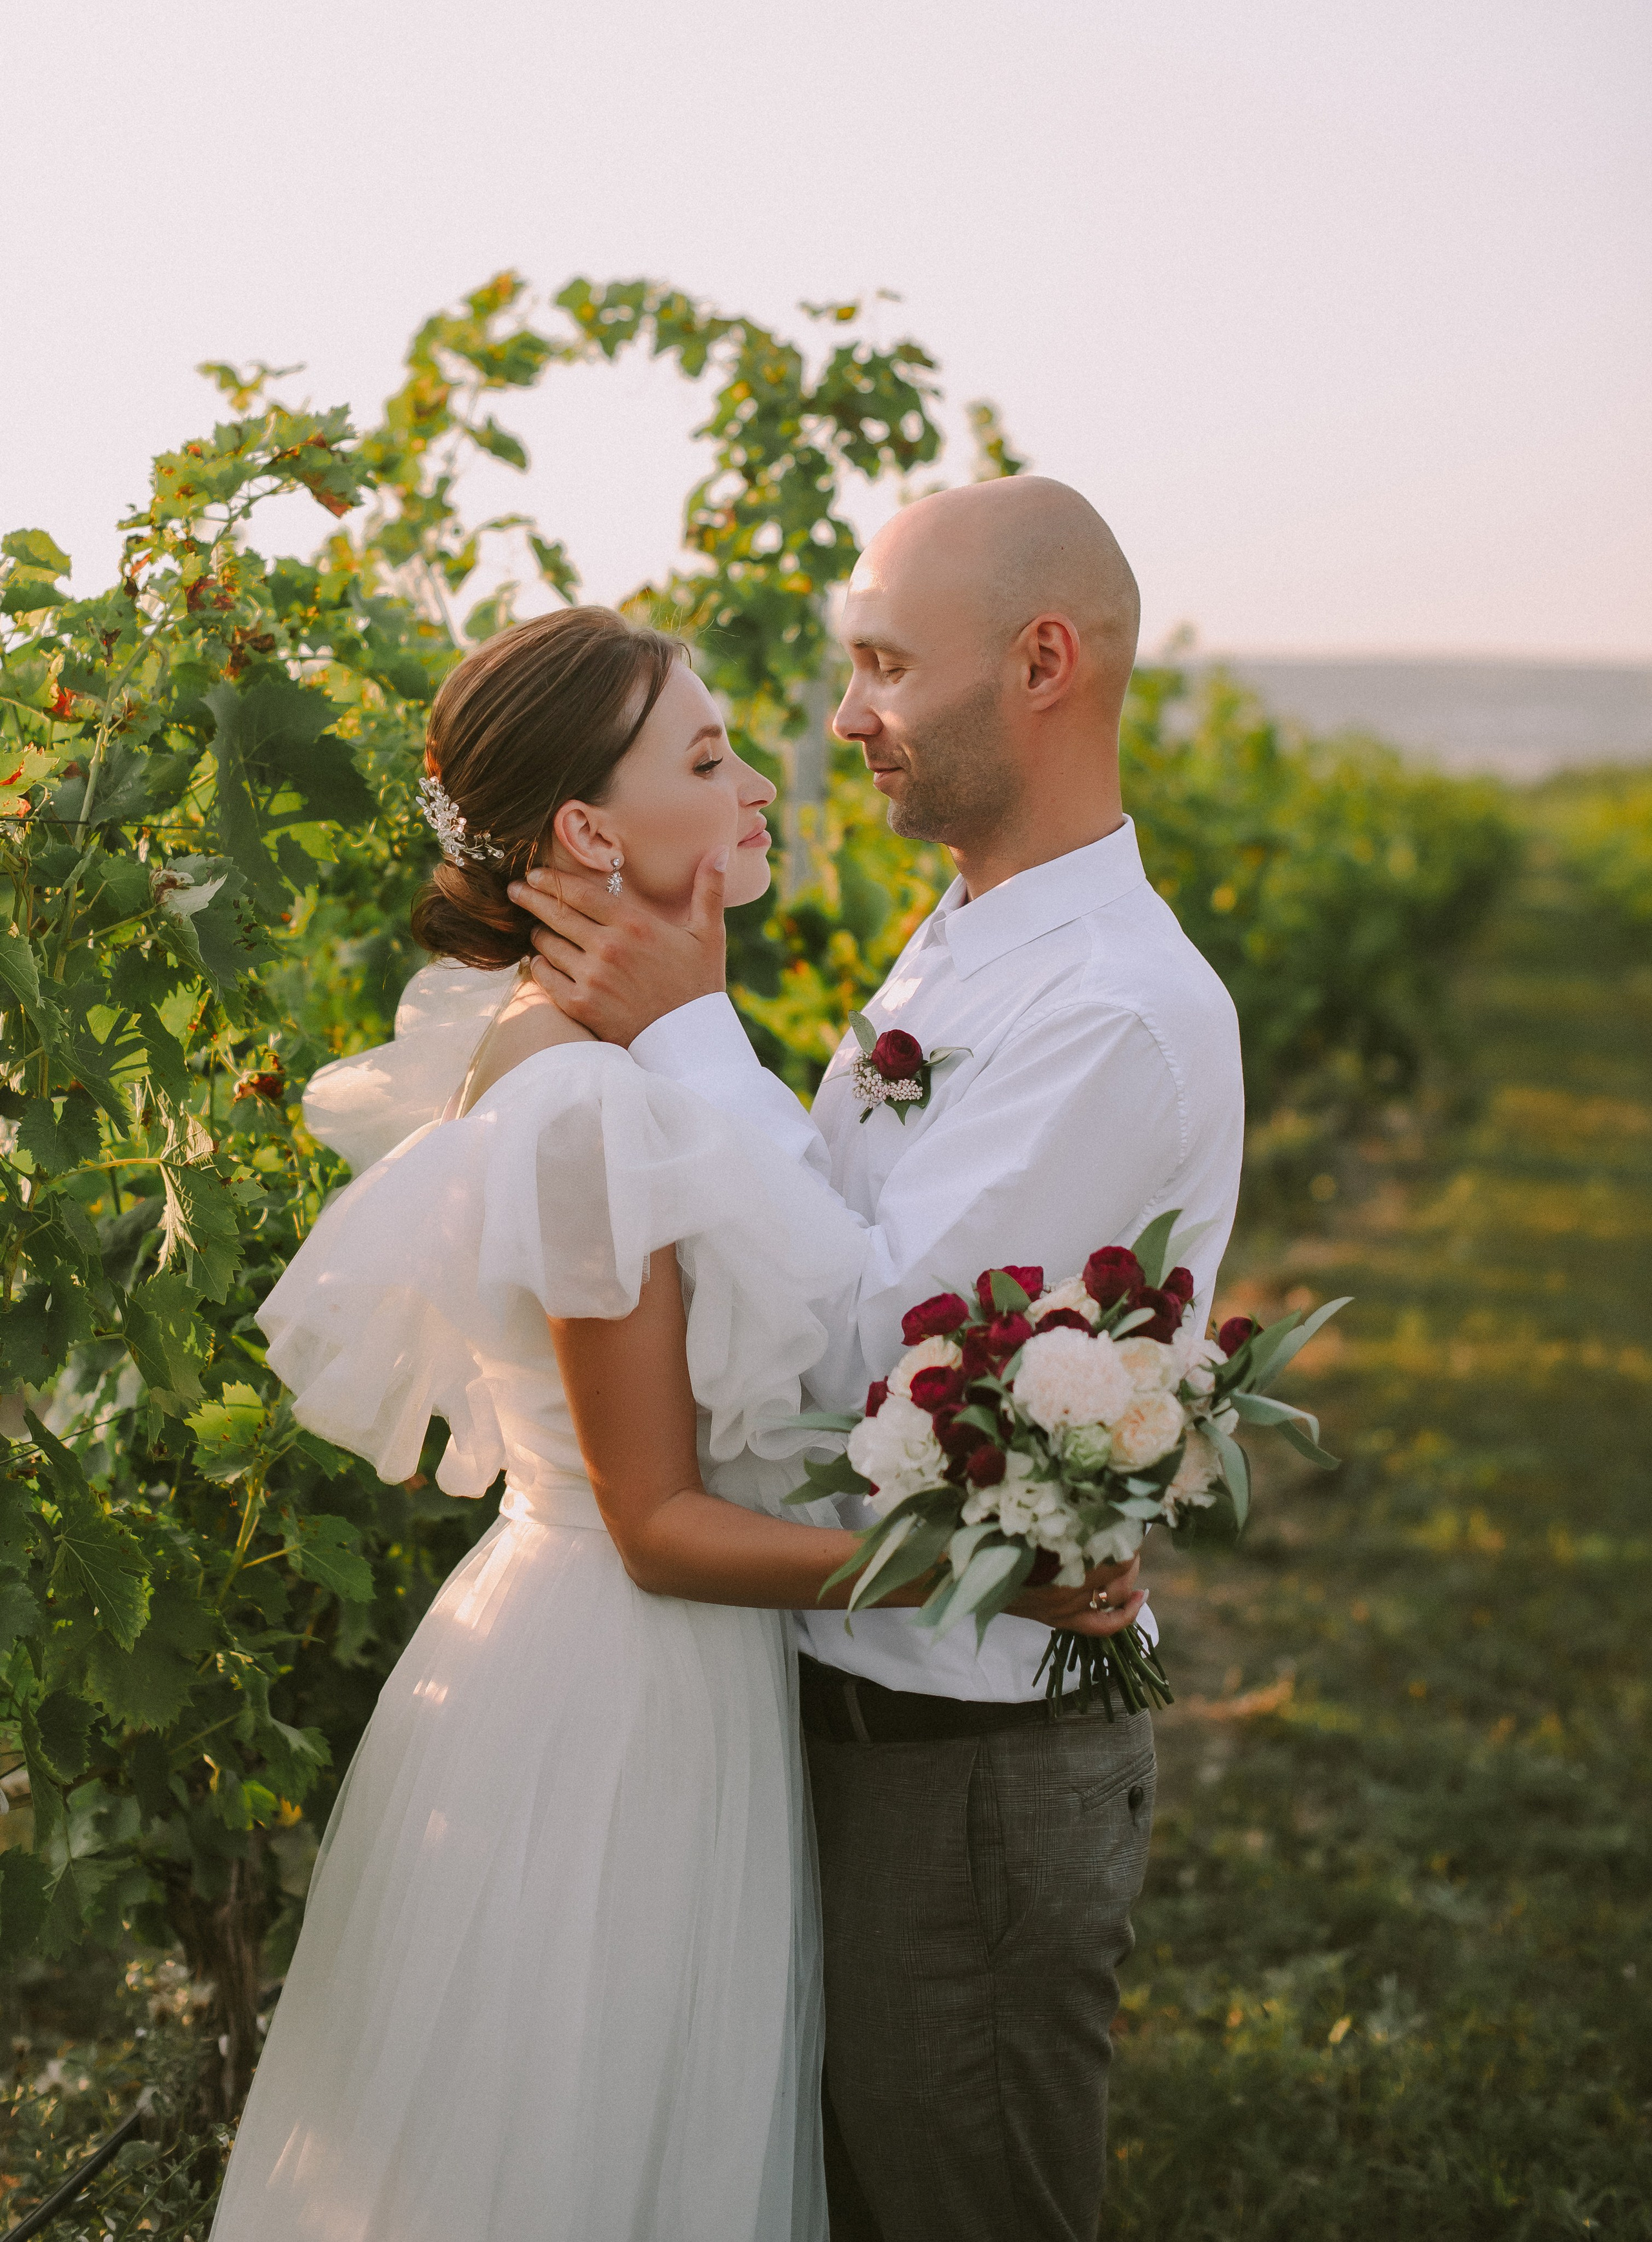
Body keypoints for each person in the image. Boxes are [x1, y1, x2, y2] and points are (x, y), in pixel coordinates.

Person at [210, 605, 1136, 2242]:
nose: (762, 783)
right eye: (706, 760)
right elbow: (653, 1521)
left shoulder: (587, 1050)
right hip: (618, 1695)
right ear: (585, 832)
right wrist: (978, 1566)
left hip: (623, 1664)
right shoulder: (586, 1099)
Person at [509, 478, 1247, 2242]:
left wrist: (691, 1042)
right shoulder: (980, 930)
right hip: (851, 1715)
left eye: (886, 666)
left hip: (966, 1760)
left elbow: (875, 1384)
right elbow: (823, 1248)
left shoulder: (1114, 1010)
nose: (842, 721)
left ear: (1044, 661)